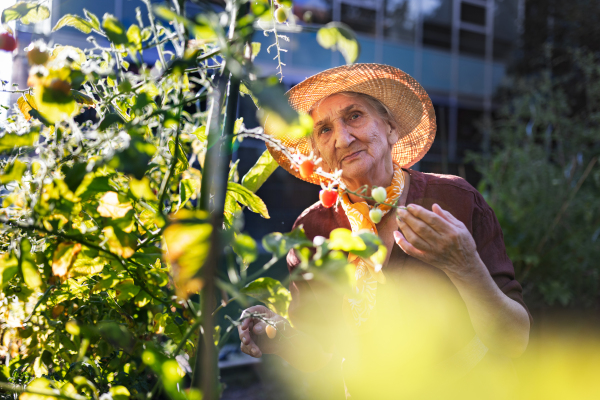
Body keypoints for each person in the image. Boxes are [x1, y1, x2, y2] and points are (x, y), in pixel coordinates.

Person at [238, 64, 531, 399]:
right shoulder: (311, 228)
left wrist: (465, 266)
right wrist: (275, 333)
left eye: (354, 116)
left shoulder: (454, 200)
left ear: (391, 129)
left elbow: (514, 340)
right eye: (324, 130)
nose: (343, 139)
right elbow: (319, 350)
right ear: (317, 154)